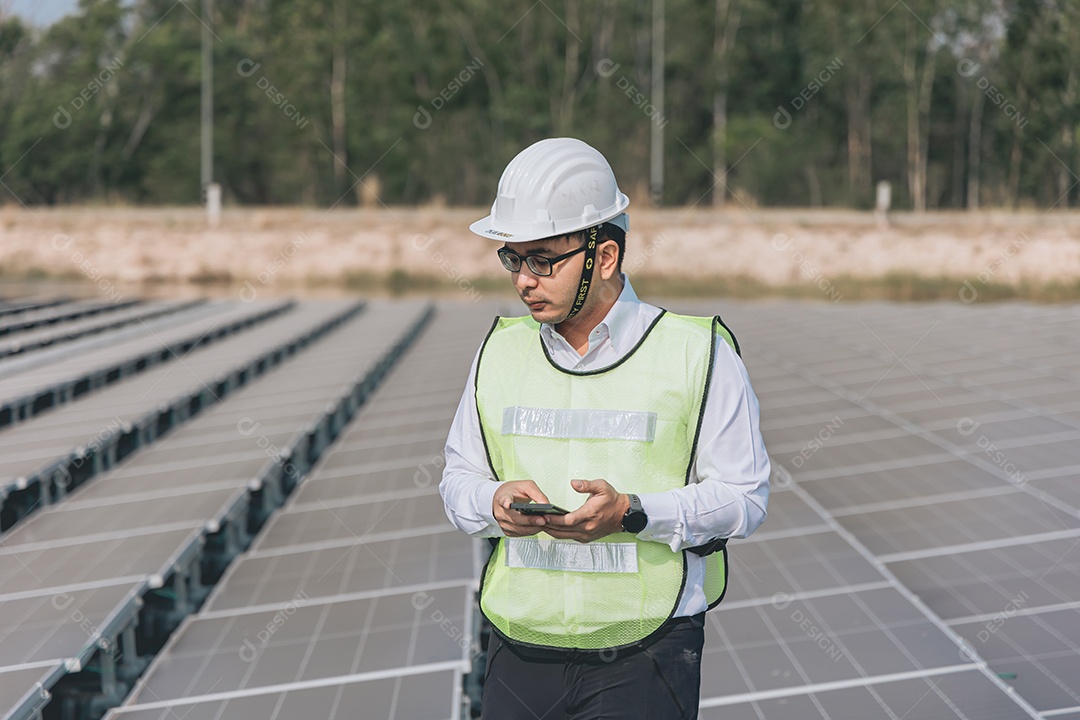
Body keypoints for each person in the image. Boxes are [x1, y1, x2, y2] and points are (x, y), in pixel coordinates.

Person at [439, 137, 770, 720]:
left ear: (606, 257)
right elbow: (457, 479)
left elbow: (744, 499)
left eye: (542, 260)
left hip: (647, 653)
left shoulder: (697, 353)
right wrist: (493, 501)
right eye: (513, 259)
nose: (522, 281)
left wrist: (634, 513)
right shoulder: (498, 351)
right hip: (518, 651)